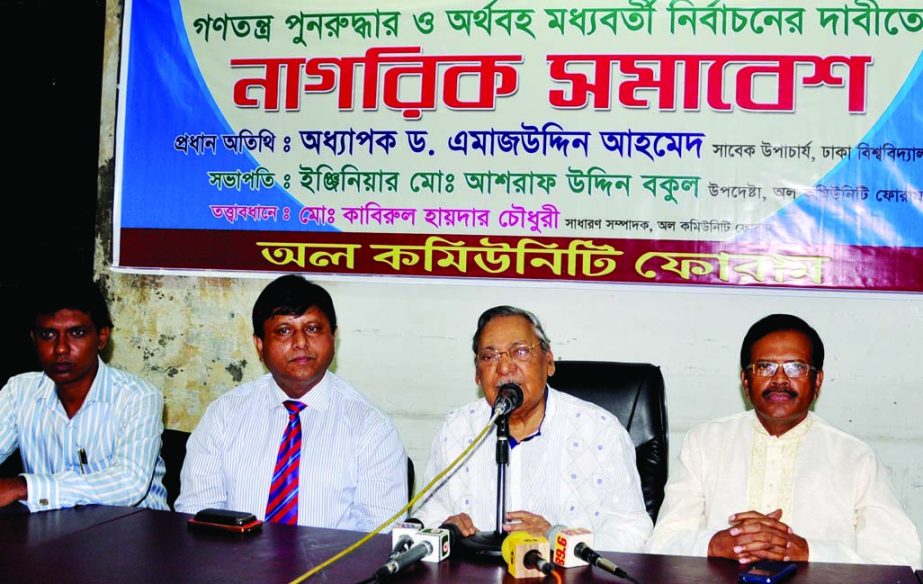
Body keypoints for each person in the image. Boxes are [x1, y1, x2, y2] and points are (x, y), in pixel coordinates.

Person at [647, 314, 921, 568]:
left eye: (795, 367)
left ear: (817, 381)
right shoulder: (705, 443)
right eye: (764, 366)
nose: (779, 379)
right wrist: (715, 544)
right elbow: (660, 545)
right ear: (745, 380)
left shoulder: (854, 457)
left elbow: (898, 560)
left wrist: (807, 552)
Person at [175, 275, 407, 530]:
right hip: (235, 565)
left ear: (333, 338)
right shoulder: (224, 415)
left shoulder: (371, 426)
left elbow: (379, 536)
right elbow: (198, 515)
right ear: (259, 345)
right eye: (284, 331)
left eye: (313, 329)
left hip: (333, 569)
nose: (300, 342)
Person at [413, 306, 652, 551]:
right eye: (489, 356)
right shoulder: (455, 429)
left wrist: (557, 539)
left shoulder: (599, 430)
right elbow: (428, 515)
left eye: (520, 352)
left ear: (549, 362)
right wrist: (446, 528)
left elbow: (633, 532)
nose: (504, 367)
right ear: (477, 373)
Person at [0, 281, 168, 511]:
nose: (61, 348)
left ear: (101, 337)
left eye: (76, 333)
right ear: (34, 339)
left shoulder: (138, 396)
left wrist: (25, 487)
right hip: (50, 535)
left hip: (130, 536)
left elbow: (129, 483)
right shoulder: (19, 391)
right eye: (48, 334)